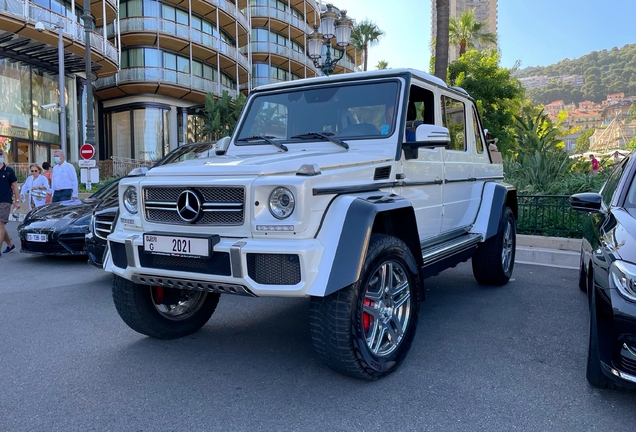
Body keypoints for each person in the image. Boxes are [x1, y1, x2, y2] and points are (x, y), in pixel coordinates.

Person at [0, 148, 20, 257]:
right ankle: (10, 244)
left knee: (0, 223)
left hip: (5, 200)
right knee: (1, 226)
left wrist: (17, 201)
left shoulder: (8, 170)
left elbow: (15, 186)